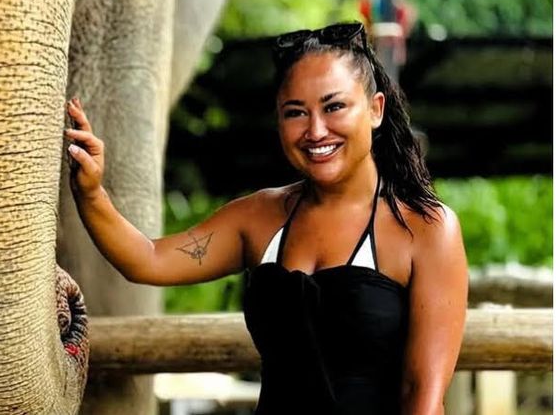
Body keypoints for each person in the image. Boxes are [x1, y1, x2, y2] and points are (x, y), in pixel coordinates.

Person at [66, 22, 467, 415]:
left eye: (334, 107)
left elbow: (423, 397)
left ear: (376, 109)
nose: (316, 130)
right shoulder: (258, 218)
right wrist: (92, 192)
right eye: (296, 113)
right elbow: (147, 259)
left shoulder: (424, 228)